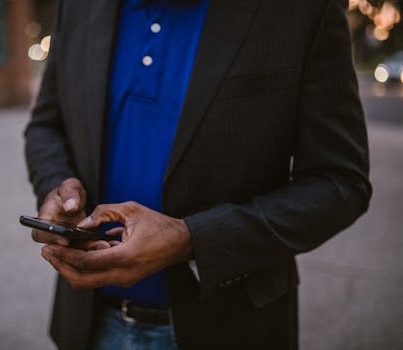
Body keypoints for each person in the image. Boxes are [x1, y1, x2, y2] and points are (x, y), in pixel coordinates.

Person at [24, 0, 372, 349]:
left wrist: (192, 239)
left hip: (232, 328)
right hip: (89, 324)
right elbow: (46, 125)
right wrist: (57, 187)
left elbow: (340, 181)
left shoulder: (304, 10)